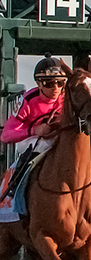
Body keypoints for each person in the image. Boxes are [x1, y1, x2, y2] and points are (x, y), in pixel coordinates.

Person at [0, 57, 67, 205]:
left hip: (59, 139)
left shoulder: (67, 98)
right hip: (33, 141)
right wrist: (33, 130)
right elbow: (6, 135)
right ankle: (15, 189)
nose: (56, 88)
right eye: (49, 83)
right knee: (42, 145)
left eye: (60, 83)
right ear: (38, 83)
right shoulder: (28, 100)